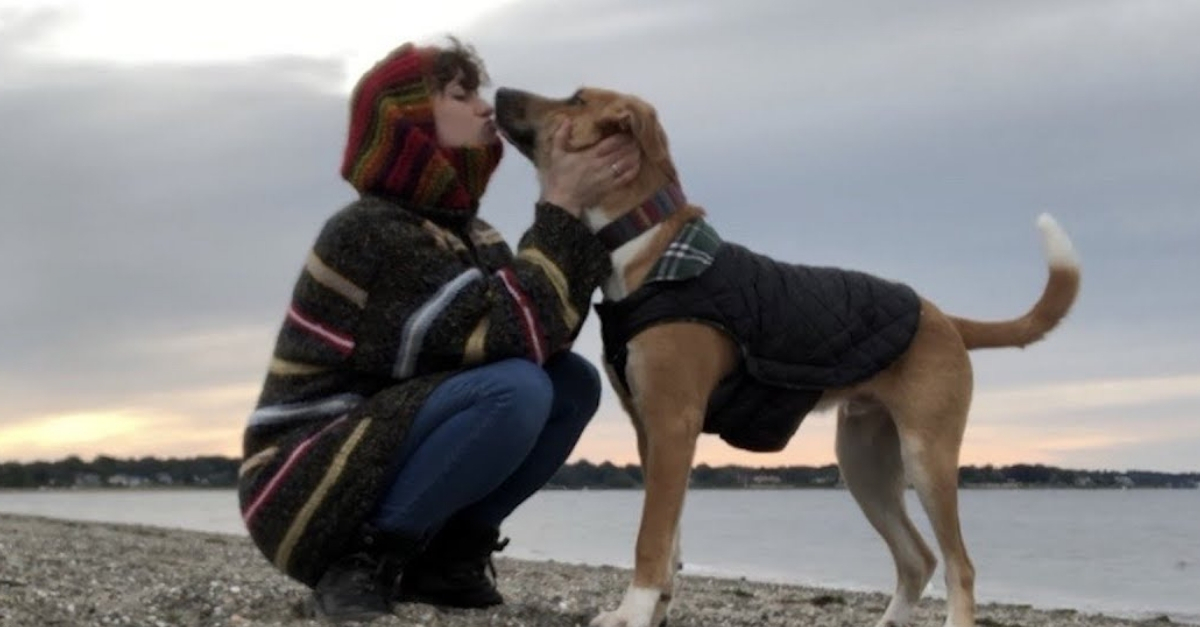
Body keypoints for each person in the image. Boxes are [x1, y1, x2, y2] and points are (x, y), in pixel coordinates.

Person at [236, 37, 640, 622]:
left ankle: (447, 558)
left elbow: (545, 335)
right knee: (516, 388)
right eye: (459, 94)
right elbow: (505, 336)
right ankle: (362, 562)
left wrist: (586, 212)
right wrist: (558, 205)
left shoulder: (472, 235)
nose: (483, 107)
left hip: (374, 452)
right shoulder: (370, 230)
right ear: (408, 120)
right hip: (302, 485)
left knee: (570, 382)